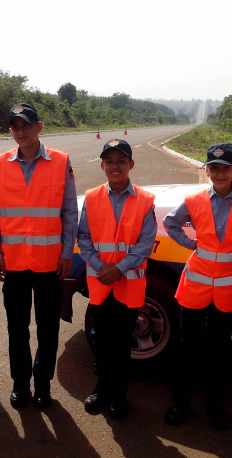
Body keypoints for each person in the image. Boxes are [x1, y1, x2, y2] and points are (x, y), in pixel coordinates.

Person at [0, 103, 78, 409]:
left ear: (39, 126)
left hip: (49, 263)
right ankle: (20, 384)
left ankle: (42, 385)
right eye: (14, 126)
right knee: (17, 329)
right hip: (13, 263)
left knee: (48, 328)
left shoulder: (61, 162)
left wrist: (67, 253)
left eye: (25, 125)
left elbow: (69, 212)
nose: (20, 131)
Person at [163, 142, 232, 430]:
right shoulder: (194, 200)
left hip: (227, 286)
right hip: (195, 283)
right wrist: (191, 244)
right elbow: (170, 223)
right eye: (213, 167)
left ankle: (214, 408)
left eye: (225, 167)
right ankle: (179, 403)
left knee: (220, 351)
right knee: (186, 348)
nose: (219, 172)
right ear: (207, 170)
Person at [77, 139, 157, 420]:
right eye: (109, 161)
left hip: (128, 285)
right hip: (101, 283)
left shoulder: (145, 200)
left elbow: (146, 242)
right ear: (102, 166)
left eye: (121, 161)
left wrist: (119, 269)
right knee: (100, 339)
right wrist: (101, 266)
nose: (115, 166)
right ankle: (101, 388)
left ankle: (119, 395)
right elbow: (84, 237)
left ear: (130, 165)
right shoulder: (92, 197)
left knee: (122, 343)